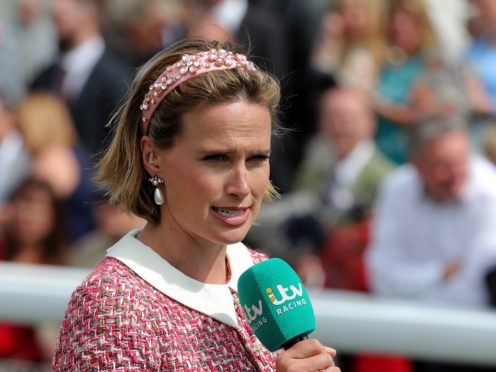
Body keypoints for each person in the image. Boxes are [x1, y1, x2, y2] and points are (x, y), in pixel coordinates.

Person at [52, 39, 340, 371]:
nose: (241, 186)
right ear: (152, 157)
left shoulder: (260, 275)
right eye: (216, 158)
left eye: (257, 158)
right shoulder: (112, 306)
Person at [365, 116, 496, 372]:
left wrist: (420, 282)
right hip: (419, 337)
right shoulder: (396, 190)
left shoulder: (490, 190)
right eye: (443, 165)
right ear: (417, 165)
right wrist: (439, 273)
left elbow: (479, 286)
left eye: (461, 160)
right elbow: (381, 277)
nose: (456, 173)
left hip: (481, 342)